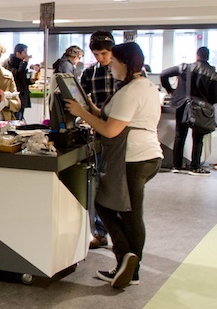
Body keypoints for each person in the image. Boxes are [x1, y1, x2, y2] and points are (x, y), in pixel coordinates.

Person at [63, 42, 162, 289]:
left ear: (125, 63)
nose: (110, 66)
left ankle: (129, 262)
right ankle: (128, 262)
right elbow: (110, 116)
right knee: (116, 207)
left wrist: (81, 113)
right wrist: (88, 107)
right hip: (147, 155)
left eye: (113, 61)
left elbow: (110, 129)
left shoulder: (130, 92)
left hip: (133, 157)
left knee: (124, 211)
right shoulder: (143, 86)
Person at [80, 31, 117, 248]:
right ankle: (100, 232)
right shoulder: (89, 73)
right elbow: (82, 100)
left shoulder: (124, 72)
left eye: (104, 53)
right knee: (99, 185)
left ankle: (121, 234)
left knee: (118, 186)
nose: (101, 58)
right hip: (100, 133)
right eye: (96, 54)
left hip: (121, 136)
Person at [161, 46, 217, 175]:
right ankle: (195, 167)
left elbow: (163, 74)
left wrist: (171, 91)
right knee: (198, 137)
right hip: (201, 108)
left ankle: (176, 166)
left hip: (182, 104)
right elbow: (216, 97)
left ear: (197, 55)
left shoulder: (184, 67)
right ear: (208, 57)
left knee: (179, 135)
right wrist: (206, 101)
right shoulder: (213, 74)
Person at [3, 43, 31, 120]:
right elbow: (17, 76)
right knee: (15, 118)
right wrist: (24, 63)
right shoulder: (10, 63)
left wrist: (30, 81)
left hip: (22, 96)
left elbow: (22, 79)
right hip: (15, 96)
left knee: (20, 118)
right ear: (18, 53)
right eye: (25, 52)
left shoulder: (20, 63)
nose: (26, 55)